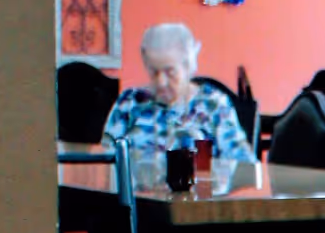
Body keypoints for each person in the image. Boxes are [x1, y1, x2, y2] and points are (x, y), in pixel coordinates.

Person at [103, 22, 251, 172]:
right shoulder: (130, 102)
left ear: (188, 66)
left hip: (200, 193)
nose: (161, 82)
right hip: (134, 195)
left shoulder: (214, 105)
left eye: (170, 72)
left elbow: (246, 167)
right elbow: (104, 160)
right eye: (154, 72)